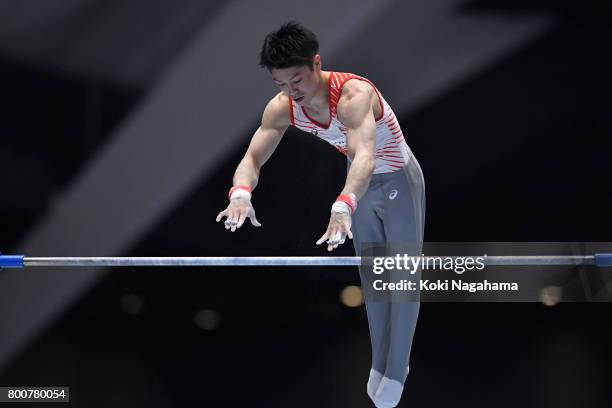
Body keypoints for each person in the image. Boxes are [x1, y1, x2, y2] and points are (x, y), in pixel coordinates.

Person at [215, 21, 425, 408]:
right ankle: (378, 364)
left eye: (297, 80)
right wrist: (241, 192)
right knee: (374, 277)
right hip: (358, 182)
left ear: (316, 63)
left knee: (402, 276)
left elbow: (365, 155)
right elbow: (252, 158)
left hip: (397, 179)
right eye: (281, 84)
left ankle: (398, 369)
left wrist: (343, 204)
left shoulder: (352, 95)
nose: (291, 92)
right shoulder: (283, 108)